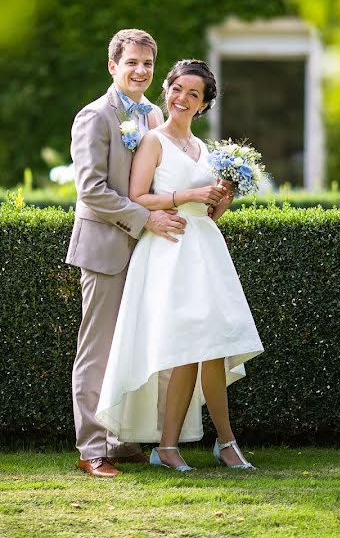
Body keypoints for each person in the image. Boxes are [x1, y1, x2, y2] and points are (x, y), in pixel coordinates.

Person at [96, 60, 264, 471]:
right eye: (177, 89)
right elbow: (137, 196)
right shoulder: (153, 140)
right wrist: (183, 196)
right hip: (170, 252)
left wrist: (221, 196)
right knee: (186, 349)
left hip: (205, 252)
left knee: (214, 349)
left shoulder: (205, 150)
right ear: (167, 91)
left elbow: (209, 213)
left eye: (194, 94)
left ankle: (224, 443)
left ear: (204, 104)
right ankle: (168, 448)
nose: (182, 98)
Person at [66, 29, 188, 478]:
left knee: (134, 347)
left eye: (148, 64)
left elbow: (162, 174)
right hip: (105, 248)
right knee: (97, 350)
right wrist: (144, 219)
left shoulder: (155, 113)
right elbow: (92, 191)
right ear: (112, 66)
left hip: (148, 252)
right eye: (132, 62)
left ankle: (121, 439)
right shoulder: (95, 116)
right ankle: (92, 448)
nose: (140, 70)